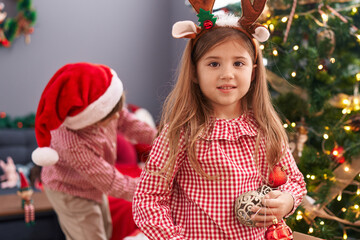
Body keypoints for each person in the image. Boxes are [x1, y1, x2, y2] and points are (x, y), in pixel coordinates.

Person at [132, 1, 306, 239]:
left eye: (238, 63)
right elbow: (148, 199)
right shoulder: (182, 132)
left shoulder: (264, 128)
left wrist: (287, 200)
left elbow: (294, 180)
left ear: (253, 72)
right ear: (195, 72)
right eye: (213, 63)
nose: (227, 74)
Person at [31, 62, 157, 240]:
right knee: (89, 235)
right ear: (90, 119)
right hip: (70, 190)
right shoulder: (71, 141)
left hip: (92, 184)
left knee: (105, 228)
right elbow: (111, 181)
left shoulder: (109, 106)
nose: (117, 116)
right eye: (110, 115)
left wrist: (163, 138)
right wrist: (153, 188)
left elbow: (130, 123)